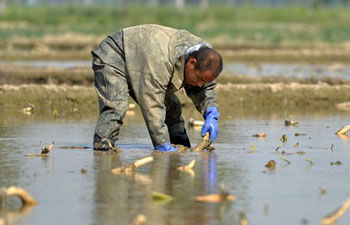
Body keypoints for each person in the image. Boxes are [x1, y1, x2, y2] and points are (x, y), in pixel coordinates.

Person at [91, 24, 222, 152]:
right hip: (116, 55)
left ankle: (181, 146)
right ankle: (103, 147)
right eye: (199, 79)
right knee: (116, 106)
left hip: (142, 59)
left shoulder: (203, 53)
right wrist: (162, 144)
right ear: (192, 63)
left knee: (172, 107)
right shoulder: (160, 61)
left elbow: (205, 88)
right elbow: (152, 105)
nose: (200, 84)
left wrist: (211, 113)